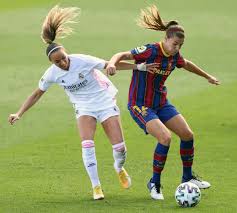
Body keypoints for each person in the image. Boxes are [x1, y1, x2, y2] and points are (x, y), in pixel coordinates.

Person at [8, 5, 159, 200]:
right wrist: (19, 113)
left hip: (104, 100)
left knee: (120, 148)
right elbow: (37, 94)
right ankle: (96, 187)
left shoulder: (82, 60)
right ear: (51, 63)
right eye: (57, 62)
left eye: (63, 58)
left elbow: (109, 64)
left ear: (66, 53)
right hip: (84, 107)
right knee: (87, 144)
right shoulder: (52, 74)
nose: (63, 63)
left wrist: (138, 66)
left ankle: (119, 167)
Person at [106, 5, 220, 200]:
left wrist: (207, 76)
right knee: (165, 138)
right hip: (140, 105)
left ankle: (188, 177)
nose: (177, 48)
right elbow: (122, 55)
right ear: (166, 39)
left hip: (161, 102)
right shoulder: (149, 51)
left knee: (187, 135)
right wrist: (111, 63)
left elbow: (187, 64)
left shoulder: (174, 55)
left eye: (180, 46)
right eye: (175, 44)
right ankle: (155, 183)